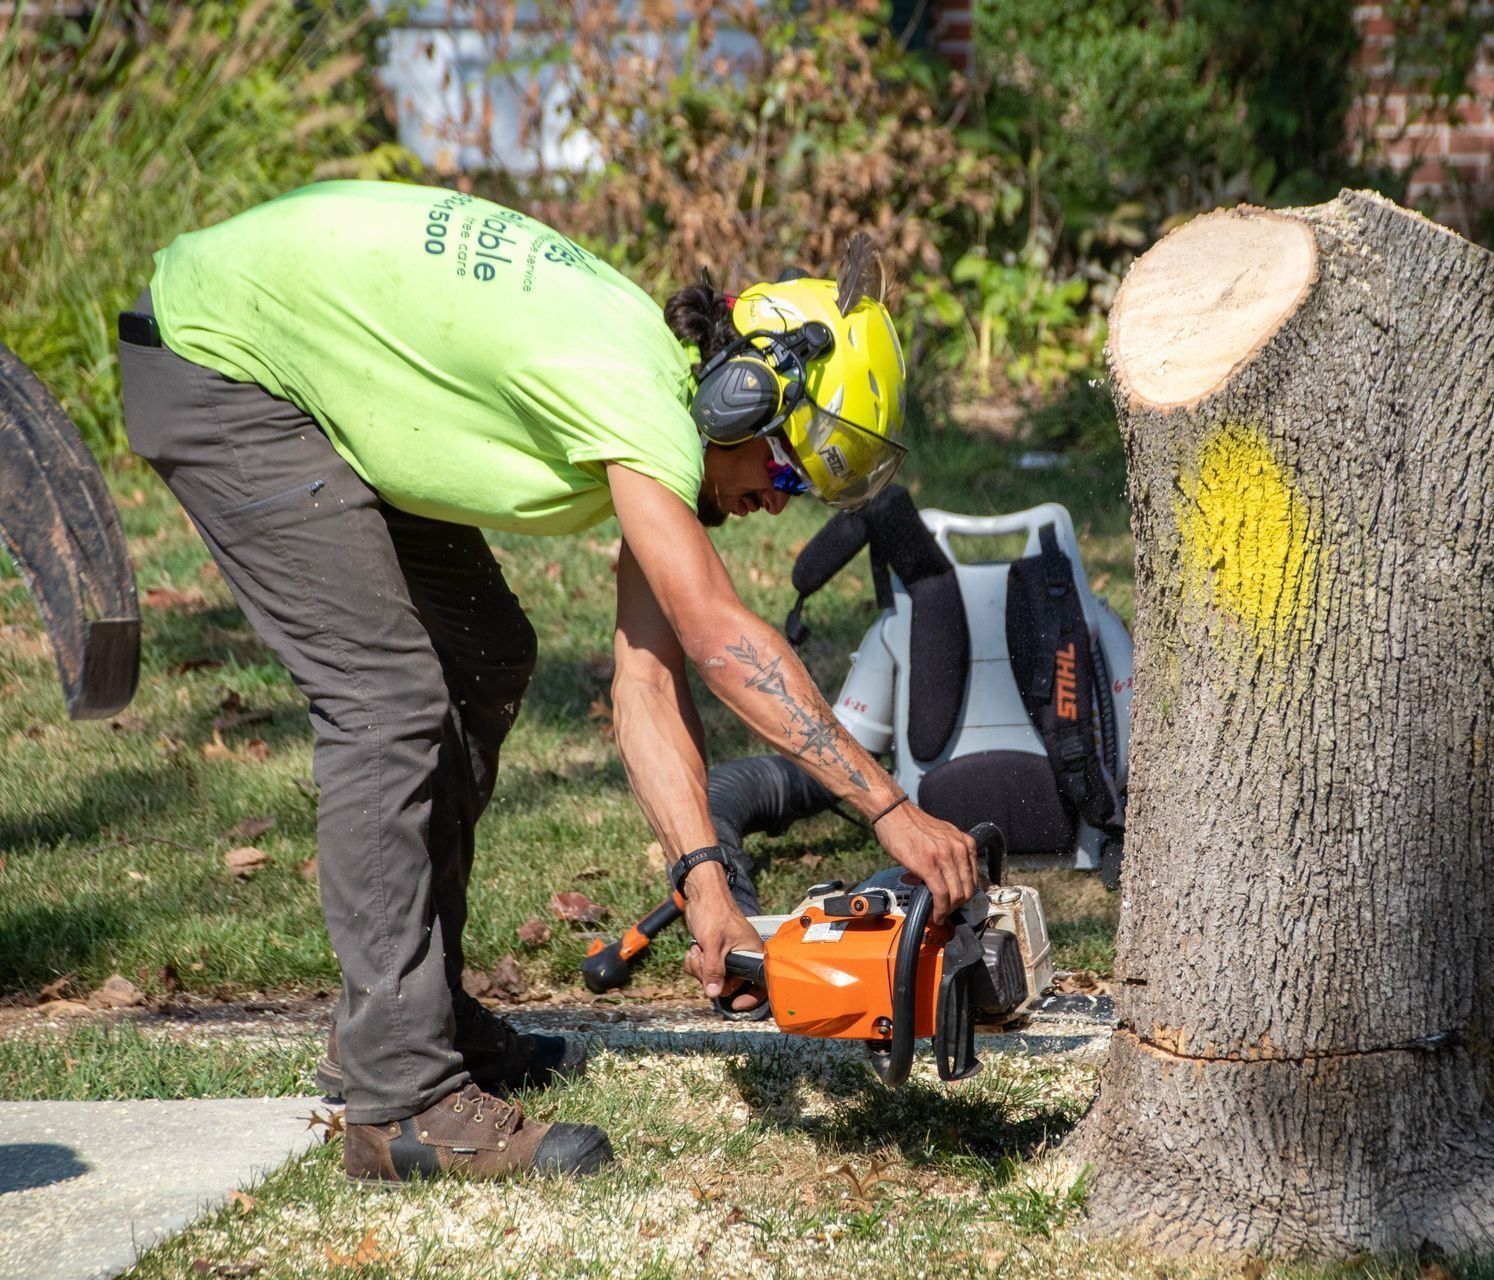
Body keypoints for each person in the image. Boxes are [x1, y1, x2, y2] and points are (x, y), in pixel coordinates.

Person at [117, 181, 978, 1184]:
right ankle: (402, 1097)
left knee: (483, 652)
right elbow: (717, 635)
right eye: (784, 474)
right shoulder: (636, 397)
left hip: (302, 368)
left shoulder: (650, 401)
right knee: (390, 698)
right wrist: (888, 809)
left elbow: (646, 682)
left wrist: (705, 883)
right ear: (741, 396)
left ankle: (414, 1012)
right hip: (223, 359)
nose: (769, 503)